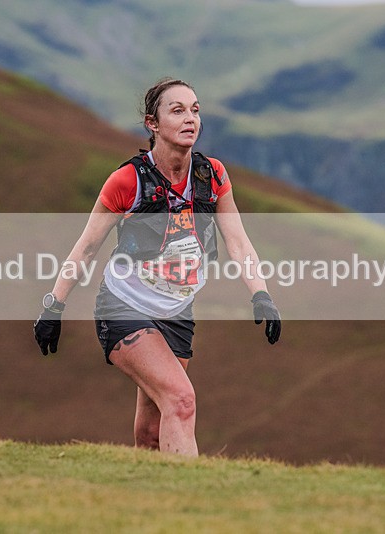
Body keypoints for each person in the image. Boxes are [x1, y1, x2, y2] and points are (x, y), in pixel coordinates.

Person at [34, 78, 280, 456]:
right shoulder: (127, 181)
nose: (190, 119)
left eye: (195, 110)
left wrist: (261, 294)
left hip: (177, 312)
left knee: (152, 434)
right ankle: (192, 504)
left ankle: (146, 503)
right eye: (177, 110)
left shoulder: (211, 175)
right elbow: (86, 248)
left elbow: (238, 241)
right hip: (124, 307)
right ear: (153, 123)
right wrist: (53, 306)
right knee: (181, 400)